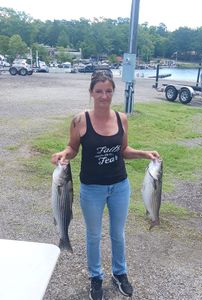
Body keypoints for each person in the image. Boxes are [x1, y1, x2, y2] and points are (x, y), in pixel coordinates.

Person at [51, 70, 160, 300]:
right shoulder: (80, 120)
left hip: (120, 185)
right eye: (99, 91)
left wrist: (144, 153)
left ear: (113, 92)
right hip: (92, 189)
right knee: (93, 235)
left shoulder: (122, 118)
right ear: (91, 92)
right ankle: (96, 277)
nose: (104, 96)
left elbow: (123, 151)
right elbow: (72, 148)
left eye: (108, 91)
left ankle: (120, 274)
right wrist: (64, 154)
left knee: (118, 234)